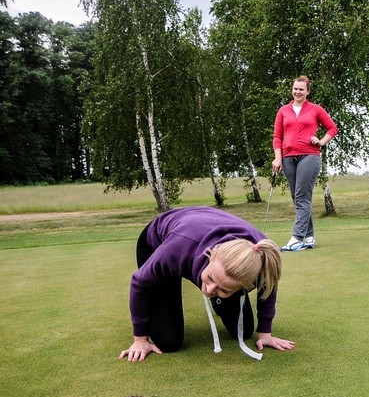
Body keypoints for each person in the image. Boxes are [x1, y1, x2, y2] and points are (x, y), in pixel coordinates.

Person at [119, 206, 295, 362]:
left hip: (206, 236)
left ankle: (221, 292)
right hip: (161, 240)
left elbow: (269, 287)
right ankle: (219, 285)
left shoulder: (261, 259)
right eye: (210, 278)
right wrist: (140, 339)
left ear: (246, 284)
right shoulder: (178, 248)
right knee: (169, 341)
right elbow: (139, 282)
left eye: (224, 289)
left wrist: (265, 333)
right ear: (211, 255)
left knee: (245, 331)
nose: (208, 290)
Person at [272, 75, 338, 251]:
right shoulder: (283, 111)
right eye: (295, 88)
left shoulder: (316, 109)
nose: (298, 91)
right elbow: (277, 137)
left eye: (301, 89)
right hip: (288, 158)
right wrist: (278, 158)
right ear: (291, 90)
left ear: (307, 91)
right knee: (298, 198)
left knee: (301, 197)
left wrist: (321, 141)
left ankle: (297, 238)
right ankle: (309, 237)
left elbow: (333, 128)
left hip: (309, 155)